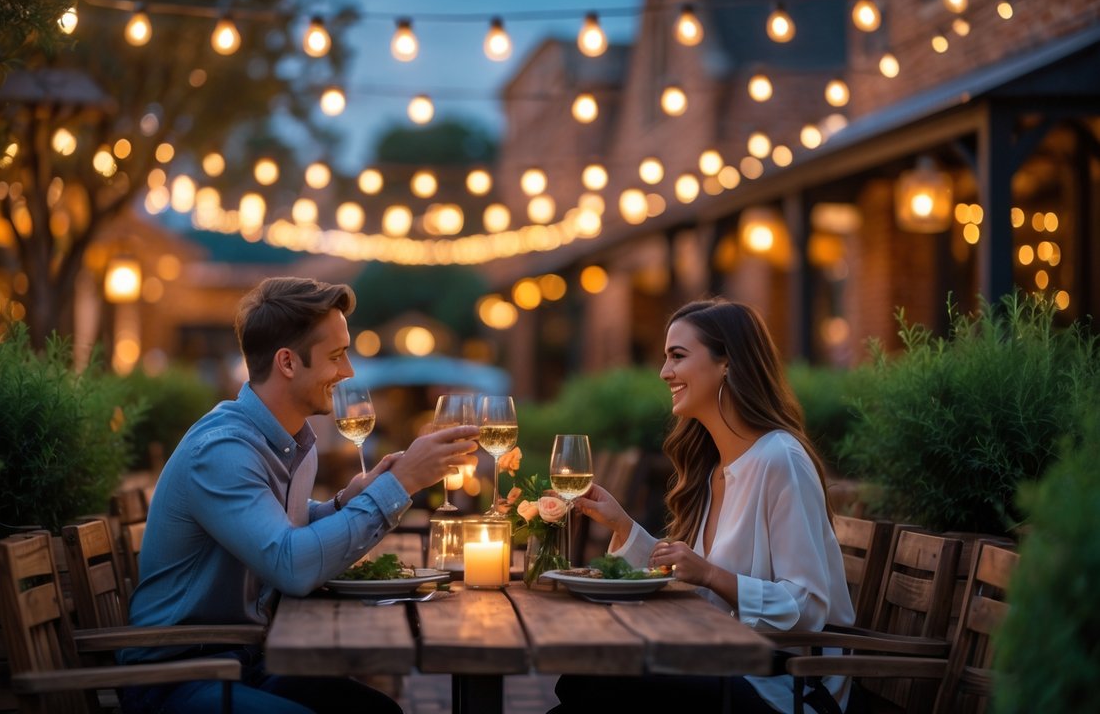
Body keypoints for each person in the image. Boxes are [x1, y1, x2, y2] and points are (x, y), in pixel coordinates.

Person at [118, 277, 478, 714]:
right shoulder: (221, 451)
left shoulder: (288, 443)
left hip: (243, 660)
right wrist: (400, 486)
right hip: (177, 677)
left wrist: (344, 503)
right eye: (336, 356)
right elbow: (290, 564)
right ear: (287, 362)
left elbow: (276, 526)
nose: (348, 372)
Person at [550, 299, 853, 714]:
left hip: (783, 689)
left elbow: (807, 608)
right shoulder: (714, 468)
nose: (664, 372)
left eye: (678, 356)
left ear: (727, 363)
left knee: (602, 682)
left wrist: (712, 574)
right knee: (587, 676)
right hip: (724, 667)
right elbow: (692, 583)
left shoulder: (781, 460)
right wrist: (623, 527)